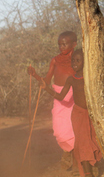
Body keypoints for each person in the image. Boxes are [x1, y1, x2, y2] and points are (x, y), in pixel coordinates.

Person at [42, 49, 102, 177]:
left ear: (85, 62)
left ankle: (95, 164)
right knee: (82, 142)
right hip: (78, 114)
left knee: (93, 140)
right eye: (73, 61)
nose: (74, 63)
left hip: (91, 114)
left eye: (78, 60)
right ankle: (88, 174)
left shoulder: (89, 78)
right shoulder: (71, 79)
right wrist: (46, 88)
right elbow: (60, 96)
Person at [28, 31, 77, 169]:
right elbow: (47, 81)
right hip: (59, 98)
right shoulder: (55, 60)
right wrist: (35, 75)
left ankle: (72, 156)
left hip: (75, 97)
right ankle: (69, 150)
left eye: (64, 44)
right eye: (59, 44)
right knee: (58, 130)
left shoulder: (78, 58)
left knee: (75, 129)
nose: (61, 47)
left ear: (74, 44)